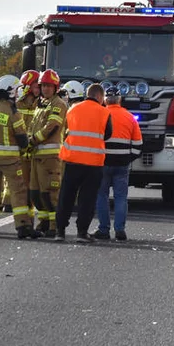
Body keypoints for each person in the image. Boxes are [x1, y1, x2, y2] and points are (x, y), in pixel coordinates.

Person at [55, 82, 112, 242]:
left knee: (66, 196)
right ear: (100, 96)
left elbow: (66, 129)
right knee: (87, 199)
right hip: (93, 163)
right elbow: (108, 134)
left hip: (72, 159)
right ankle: (81, 232)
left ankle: (60, 231)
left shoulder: (72, 109)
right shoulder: (104, 112)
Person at [0, 75, 35, 239]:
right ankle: (22, 226)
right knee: (18, 192)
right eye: (17, 90)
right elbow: (22, 140)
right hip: (9, 160)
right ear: (10, 91)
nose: (19, 93)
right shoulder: (12, 112)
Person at [92, 87, 143, 241]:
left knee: (102, 195)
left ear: (105, 100)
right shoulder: (130, 117)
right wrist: (128, 158)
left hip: (103, 162)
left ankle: (104, 229)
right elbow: (138, 145)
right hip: (122, 164)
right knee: (121, 197)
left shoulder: (100, 114)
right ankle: (120, 230)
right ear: (120, 100)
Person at [27, 70, 70, 238]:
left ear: (55, 87)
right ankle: (44, 222)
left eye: (48, 86)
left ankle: (54, 226)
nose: (45, 89)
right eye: (43, 85)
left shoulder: (58, 104)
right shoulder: (41, 103)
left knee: (50, 193)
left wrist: (33, 140)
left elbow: (52, 126)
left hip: (50, 156)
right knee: (36, 193)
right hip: (37, 155)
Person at [15, 70, 43, 224]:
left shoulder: (42, 104)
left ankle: (39, 220)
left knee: (38, 189)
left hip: (37, 153)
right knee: (23, 190)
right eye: (35, 85)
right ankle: (27, 221)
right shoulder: (17, 105)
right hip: (21, 155)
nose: (38, 88)